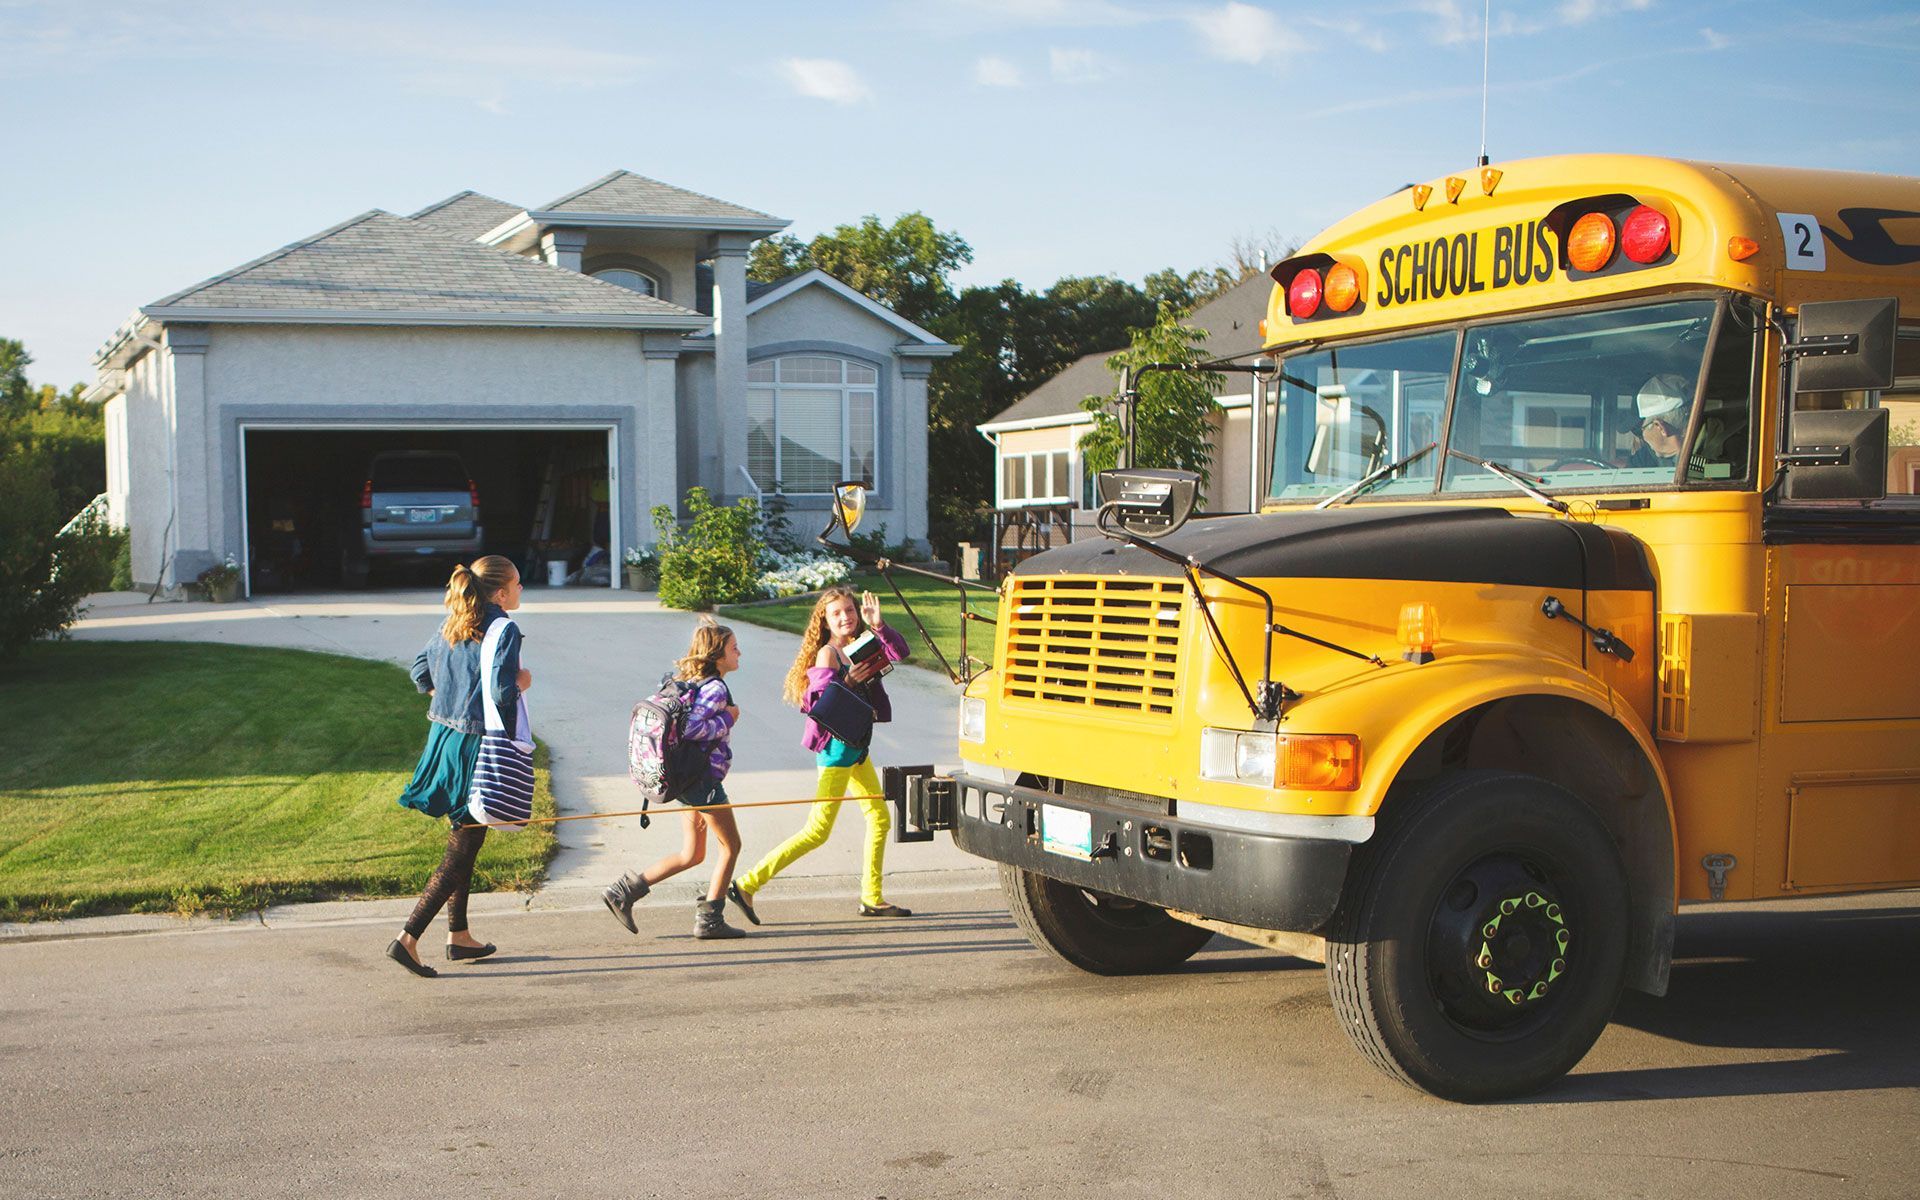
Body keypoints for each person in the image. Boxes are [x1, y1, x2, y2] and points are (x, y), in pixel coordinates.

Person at [728, 587, 911, 923]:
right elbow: (819, 706)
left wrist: (880, 625)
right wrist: (850, 683)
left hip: (856, 747)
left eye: (850, 611)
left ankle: (871, 897)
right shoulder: (828, 655)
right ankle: (747, 884)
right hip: (837, 750)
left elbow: (900, 654)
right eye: (837, 613)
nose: (846, 618)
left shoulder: (861, 644)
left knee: (879, 817)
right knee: (817, 831)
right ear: (825, 621)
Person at [387, 555, 528, 978]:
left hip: (444, 740)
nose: (522, 590)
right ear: (501, 593)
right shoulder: (502, 628)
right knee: (464, 843)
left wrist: (445, 696)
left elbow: (418, 672)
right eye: (518, 584)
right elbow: (503, 692)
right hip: (477, 746)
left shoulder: (455, 621)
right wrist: (523, 682)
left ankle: (459, 935)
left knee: (468, 834)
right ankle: (407, 939)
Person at [601, 617, 749, 940]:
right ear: (716, 655)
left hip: (686, 779)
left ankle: (622, 892)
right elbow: (691, 728)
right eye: (733, 648)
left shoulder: (690, 682)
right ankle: (710, 920)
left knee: (692, 854)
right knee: (731, 846)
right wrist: (728, 718)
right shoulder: (715, 688)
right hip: (702, 782)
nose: (739, 652)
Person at [1634, 372, 1736, 475]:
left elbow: (1728, 475)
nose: (1643, 434)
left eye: (1644, 427)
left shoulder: (1726, 447)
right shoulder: (1648, 457)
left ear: (1660, 427)